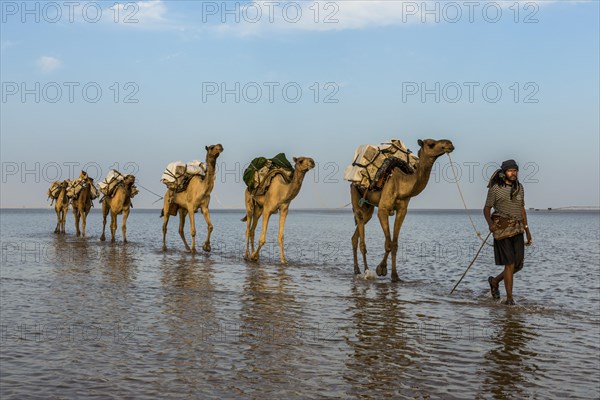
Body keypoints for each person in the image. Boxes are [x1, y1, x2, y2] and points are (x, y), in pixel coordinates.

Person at [483, 159, 533, 305]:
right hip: (502, 228)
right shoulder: (495, 189)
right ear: (504, 172)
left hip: (518, 229)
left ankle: (495, 281)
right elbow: (486, 209)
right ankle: (509, 299)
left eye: (515, 170)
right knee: (509, 264)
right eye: (511, 170)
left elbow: (522, 209)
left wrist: (527, 230)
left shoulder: (520, 187)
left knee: (518, 265)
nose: (514, 173)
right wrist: (490, 224)